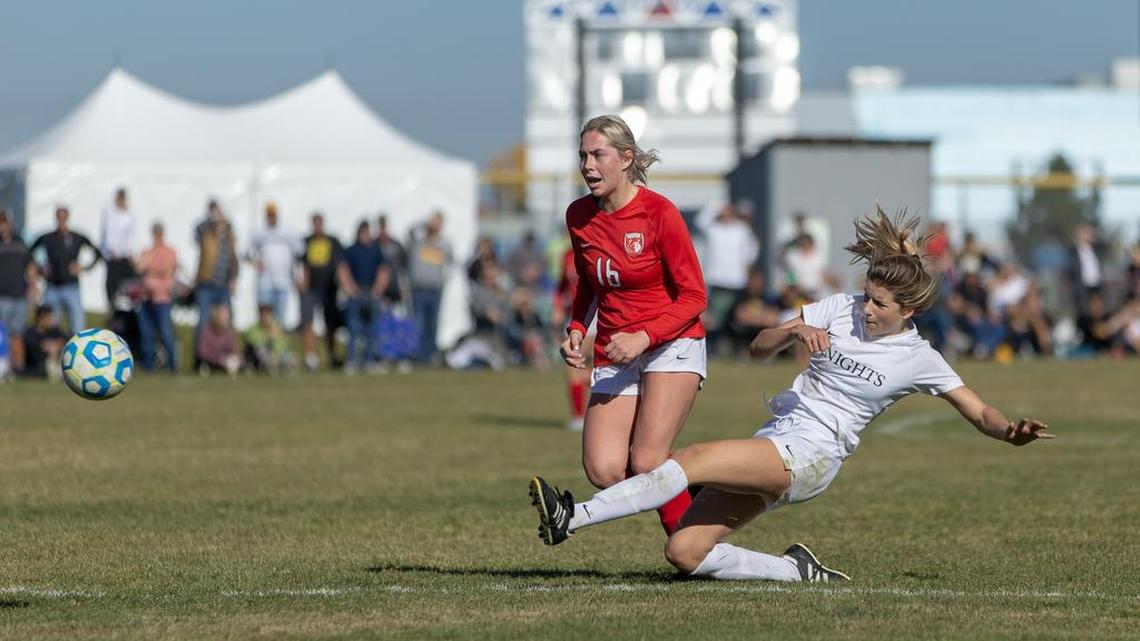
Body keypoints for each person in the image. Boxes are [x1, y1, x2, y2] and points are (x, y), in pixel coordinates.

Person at [530, 207, 1052, 582]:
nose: (866, 309)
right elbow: (758, 348)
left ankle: (572, 518)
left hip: (812, 455)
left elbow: (977, 409)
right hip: (778, 436)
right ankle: (796, 570)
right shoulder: (838, 307)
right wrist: (792, 333)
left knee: (688, 459)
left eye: (879, 304)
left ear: (908, 311)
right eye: (867, 296)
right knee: (684, 552)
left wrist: (1010, 432)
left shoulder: (920, 358)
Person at [560, 114, 708, 536]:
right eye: (583, 155)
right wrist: (576, 327)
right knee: (603, 469)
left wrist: (645, 336)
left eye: (598, 155)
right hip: (614, 348)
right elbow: (589, 283)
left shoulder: (660, 213)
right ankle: (685, 489)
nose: (588, 165)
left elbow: (695, 297)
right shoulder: (578, 216)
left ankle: (694, 548)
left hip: (671, 343)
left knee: (646, 461)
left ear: (626, 159)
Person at [694, 201, 759, 357]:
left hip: (737, 280)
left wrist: (747, 273)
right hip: (717, 279)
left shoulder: (742, 230)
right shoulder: (713, 229)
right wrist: (717, 206)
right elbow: (700, 220)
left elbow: (751, 252)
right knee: (715, 318)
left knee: (737, 318)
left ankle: (738, 349)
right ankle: (712, 349)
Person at [29, 206, 103, 333]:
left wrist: (83, 267)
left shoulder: (77, 237)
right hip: (52, 287)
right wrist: (40, 269)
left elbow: (97, 253)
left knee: (78, 326)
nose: (61, 221)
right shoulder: (47, 238)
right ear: (56, 218)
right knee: (50, 327)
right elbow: (29, 252)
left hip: (71, 287)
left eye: (64, 218)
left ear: (67, 218)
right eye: (59, 217)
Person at [299, 212, 347, 370]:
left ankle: (331, 355)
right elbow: (303, 264)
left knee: (330, 324)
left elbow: (340, 264)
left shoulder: (332, 241)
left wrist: (343, 283)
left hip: (329, 289)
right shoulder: (306, 242)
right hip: (311, 289)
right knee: (308, 322)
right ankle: (310, 357)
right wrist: (302, 283)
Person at [342, 220, 390, 373]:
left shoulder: (376, 250)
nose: (366, 235)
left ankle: (370, 360)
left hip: (372, 293)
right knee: (354, 329)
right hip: (356, 293)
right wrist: (351, 289)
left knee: (373, 329)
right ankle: (352, 361)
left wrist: (377, 290)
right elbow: (343, 270)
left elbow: (383, 271)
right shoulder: (351, 250)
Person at [407, 211, 453, 364]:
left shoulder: (443, 244)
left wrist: (443, 281)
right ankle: (417, 355)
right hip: (418, 288)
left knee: (432, 324)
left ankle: (429, 355)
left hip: (435, 289)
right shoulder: (418, 242)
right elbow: (410, 231)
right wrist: (425, 223)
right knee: (418, 322)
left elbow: (451, 262)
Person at [248, 202, 302, 326]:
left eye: (273, 214)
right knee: (264, 315)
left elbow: (299, 252)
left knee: (280, 317)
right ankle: (262, 343)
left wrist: (297, 275)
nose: (271, 217)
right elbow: (246, 252)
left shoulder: (288, 232)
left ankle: (277, 343)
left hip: (283, 282)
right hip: (265, 282)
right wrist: (255, 262)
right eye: (269, 215)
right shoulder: (258, 232)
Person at [135, 223, 179, 372]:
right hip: (146, 298)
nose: (157, 236)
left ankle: (173, 366)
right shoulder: (147, 251)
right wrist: (151, 258)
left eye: (159, 233)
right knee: (147, 333)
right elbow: (140, 267)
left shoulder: (170, 252)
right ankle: (149, 366)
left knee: (166, 332)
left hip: (162, 299)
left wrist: (152, 271)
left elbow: (166, 270)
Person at [193, 200, 238, 343]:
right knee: (204, 319)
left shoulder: (229, 238)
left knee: (227, 319)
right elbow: (197, 229)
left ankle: (227, 353)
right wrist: (210, 218)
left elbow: (233, 261)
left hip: (223, 285)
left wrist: (233, 279)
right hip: (206, 284)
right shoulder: (206, 234)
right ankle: (200, 357)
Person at [0, 210, 37, 374]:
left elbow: (30, 266)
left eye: (3, 221)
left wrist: (33, 286)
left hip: (19, 295)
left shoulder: (20, 242)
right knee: (3, 333)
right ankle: (4, 368)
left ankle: (19, 368)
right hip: (2, 296)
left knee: (18, 334)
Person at [244, 303, 295, 375]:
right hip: (259, 357)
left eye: (268, 315)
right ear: (260, 316)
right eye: (263, 316)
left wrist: (275, 340)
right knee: (261, 350)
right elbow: (256, 344)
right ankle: (271, 366)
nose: (266, 318)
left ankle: (282, 367)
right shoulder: (253, 329)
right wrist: (269, 338)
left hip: (275, 355)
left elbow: (282, 345)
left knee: (286, 354)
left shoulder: (276, 328)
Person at [22, 305, 66, 381]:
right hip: (35, 367)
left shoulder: (54, 330)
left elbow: (64, 340)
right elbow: (33, 348)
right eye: (49, 318)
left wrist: (54, 345)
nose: (52, 320)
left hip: (54, 362)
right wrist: (47, 346)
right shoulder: (30, 332)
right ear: (41, 318)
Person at [196, 303, 242, 376]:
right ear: (216, 317)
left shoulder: (229, 333)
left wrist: (235, 359)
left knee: (234, 361)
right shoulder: (207, 331)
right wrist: (219, 359)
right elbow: (203, 352)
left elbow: (234, 350)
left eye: (227, 317)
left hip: (225, 361)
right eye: (223, 317)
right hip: (210, 362)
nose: (226, 319)